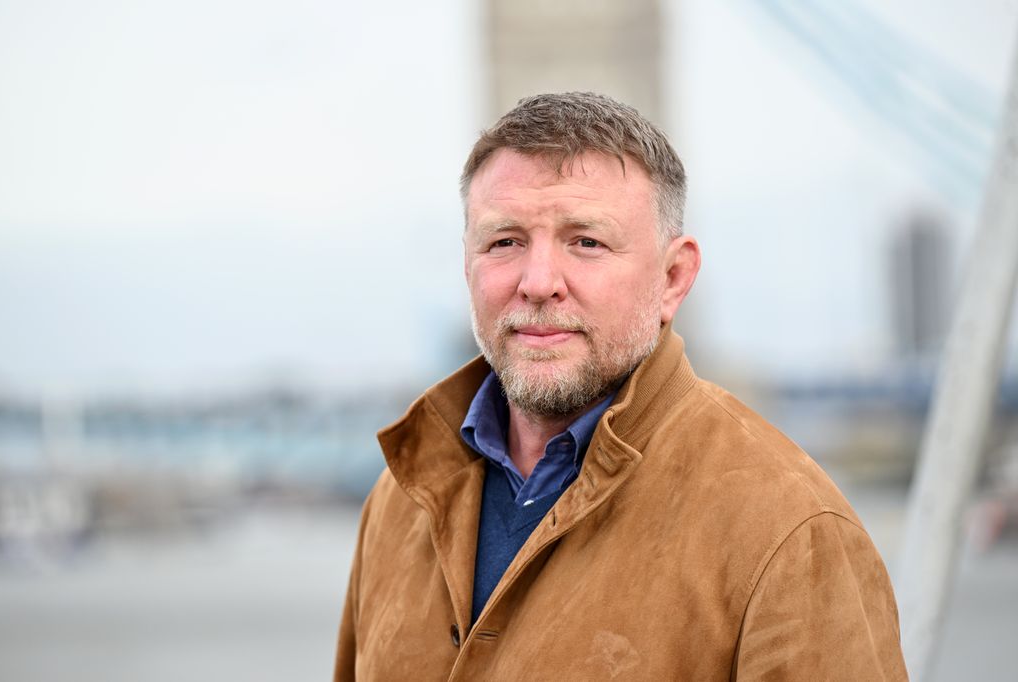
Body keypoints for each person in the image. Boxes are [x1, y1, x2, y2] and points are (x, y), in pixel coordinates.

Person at [334, 92, 907, 681]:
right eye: (504, 241)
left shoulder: (789, 529)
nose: (537, 282)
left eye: (587, 242)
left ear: (673, 278)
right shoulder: (400, 498)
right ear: (467, 266)